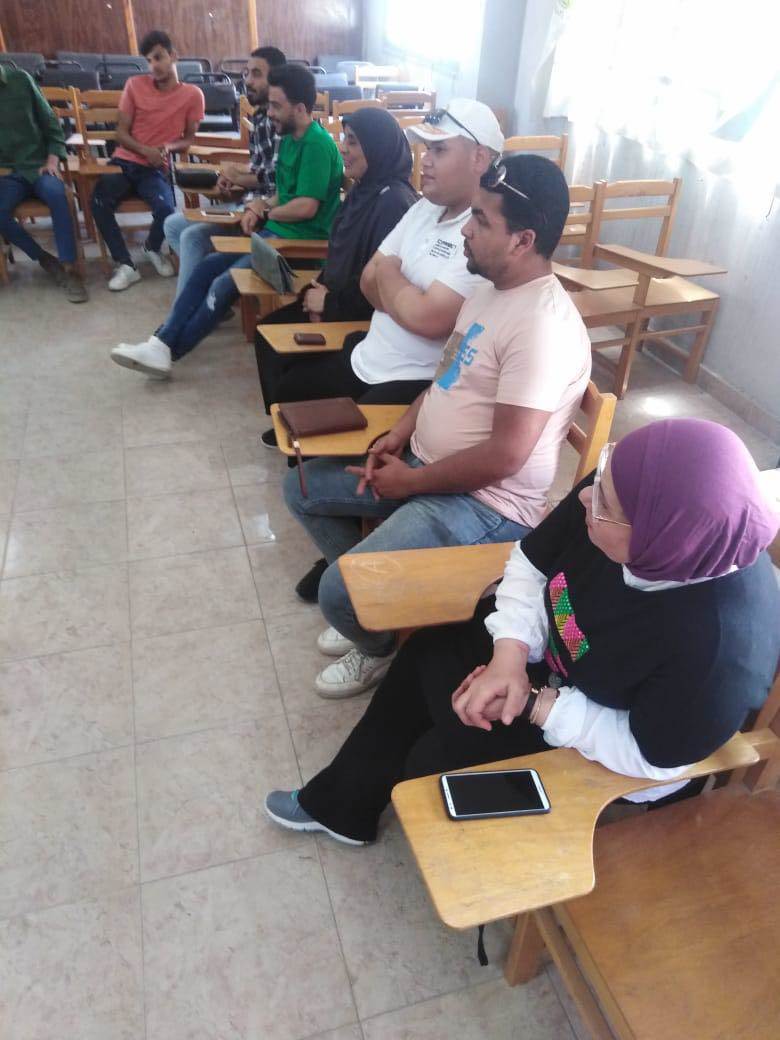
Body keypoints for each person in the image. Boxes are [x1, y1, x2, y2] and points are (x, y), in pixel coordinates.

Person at [264, 418, 780, 845]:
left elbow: (651, 759)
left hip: (606, 738)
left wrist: (538, 705)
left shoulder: (719, 651)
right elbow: (531, 562)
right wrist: (508, 658)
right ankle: (341, 807)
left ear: (660, 544)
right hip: (551, 662)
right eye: (599, 484)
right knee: (428, 654)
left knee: (432, 765)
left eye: (605, 506)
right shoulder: (626, 485)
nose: (585, 499)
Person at [284, 155, 592, 699]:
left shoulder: (542, 327)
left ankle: (376, 643)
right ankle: (375, 604)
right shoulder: (489, 289)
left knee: (335, 593)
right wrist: (402, 431)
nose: (465, 230)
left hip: (486, 505)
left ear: (522, 241)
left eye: (481, 221)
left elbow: (506, 457)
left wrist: (410, 483)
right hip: (428, 467)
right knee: (301, 487)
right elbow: (446, 377)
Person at [268, 99, 505, 602]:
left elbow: (428, 318)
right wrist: (407, 299)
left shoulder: (483, 234)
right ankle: (344, 539)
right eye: (424, 149)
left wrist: (397, 287)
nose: (425, 161)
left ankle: (353, 555)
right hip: (370, 354)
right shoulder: (422, 208)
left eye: (439, 150)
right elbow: (369, 279)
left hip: (410, 379)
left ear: (480, 159)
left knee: (333, 452)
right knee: (289, 392)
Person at [109, 63, 342, 377]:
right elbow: (285, 195)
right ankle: (159, 343)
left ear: (300, 108)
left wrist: (265, 211)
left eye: (276, 106)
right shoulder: (289, 138)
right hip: (275, 236)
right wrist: (260, 204)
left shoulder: (316, 145)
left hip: (297, 246)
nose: (269, 112)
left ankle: (169, 351)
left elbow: (306, 207)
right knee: (206, 267)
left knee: (223, 282)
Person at [255, 106, 418, 432]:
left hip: (359, 312)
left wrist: (329, 304)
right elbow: (339, 257)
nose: (343, 148)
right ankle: (284, 420)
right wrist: (314, 292)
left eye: (353, 141)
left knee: (290, 370)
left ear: (378, 147)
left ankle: (295, 423)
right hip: (335, 298)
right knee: (268, 334)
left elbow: (380, 286)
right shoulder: (363, 190)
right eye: (344, 138)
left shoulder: (394, 202)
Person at [163, 45, 286, 297]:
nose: (247, 81)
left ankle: (189, 305)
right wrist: (232, 174)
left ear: (277, 79)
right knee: (173, 225)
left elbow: (275, 179)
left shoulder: (280, 121)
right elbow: (262, 166)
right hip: (248, 202)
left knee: (191, 237)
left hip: (263, 212)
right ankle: (205, 292)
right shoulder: (260, 116)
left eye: (257, 74)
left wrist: (238, 176)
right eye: (246, 73)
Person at [90, 30, 205, 291]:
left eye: (158, 57)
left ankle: (151, 247)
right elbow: (120, 133)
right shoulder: (135, 85)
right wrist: (146, 150)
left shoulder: (192, 95)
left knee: (166, 210)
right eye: (149, 61)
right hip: (124, 161)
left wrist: (166, 147)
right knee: (98, 201)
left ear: (173, 56)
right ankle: (126, 265)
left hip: (155, 168)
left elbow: (188, 138)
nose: (153, 66)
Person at [0, 63, 87, 302]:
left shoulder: (21, 80)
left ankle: (69, 269)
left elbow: (51, 124)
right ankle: (45, 259)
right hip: (8, 174)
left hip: (39, 165)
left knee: (58, 195)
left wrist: (52, 160)